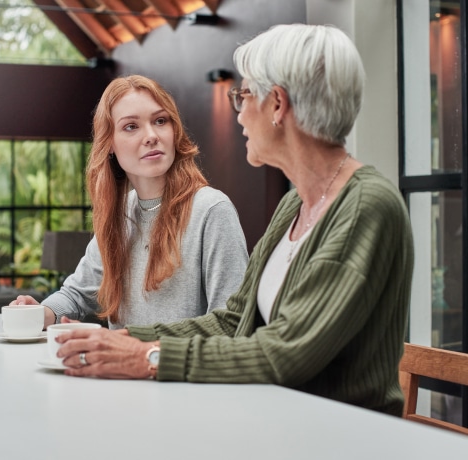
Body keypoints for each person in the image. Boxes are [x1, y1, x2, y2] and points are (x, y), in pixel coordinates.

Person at [52, 24, 414, 417]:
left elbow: (285, 352)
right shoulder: (295, 205)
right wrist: (126, 340)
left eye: (243, 95)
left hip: (336, 436)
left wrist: (148, 357)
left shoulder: (365, 208)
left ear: (277, 105)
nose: (238, 112)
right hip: (280, 420)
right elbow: (233, 320)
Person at [12, 75, 249, 329]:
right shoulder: (120, 213)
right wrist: (41, 312)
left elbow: (230, 324)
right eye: (131, 126)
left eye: (160, 121)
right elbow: (77, 293)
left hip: (176, 368)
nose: (151, 136)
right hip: (115, 369)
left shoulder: (211, 210)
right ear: (109, 143)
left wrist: (141, 351)